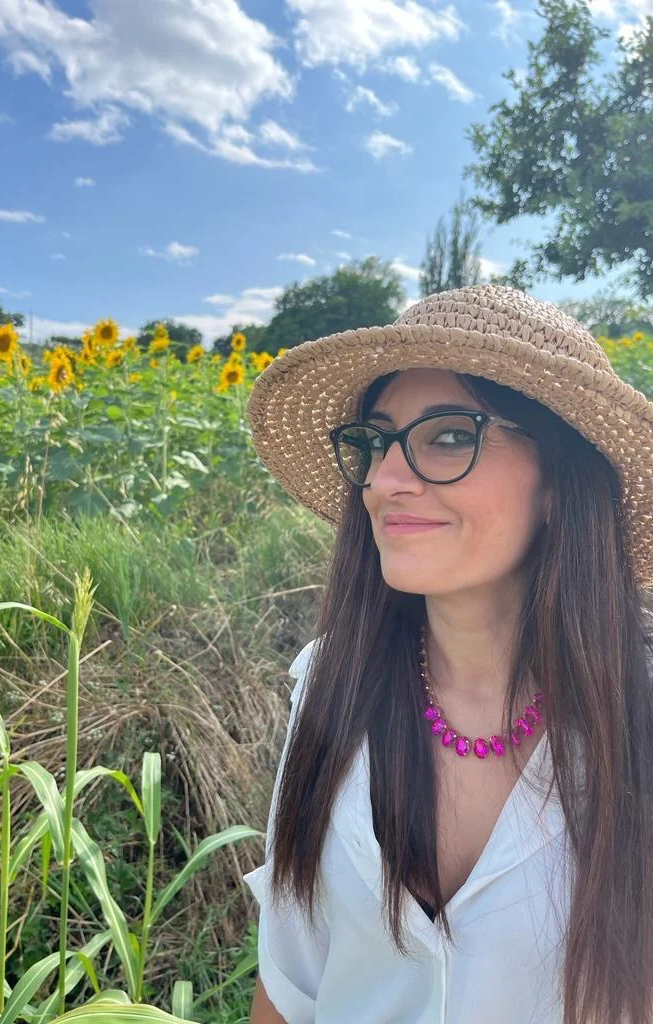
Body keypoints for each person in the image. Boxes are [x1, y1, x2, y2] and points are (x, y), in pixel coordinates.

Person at [241, 285, 653, 1024]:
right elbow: (293, 975)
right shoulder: (327, 686)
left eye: (450, 436)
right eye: (373, 441)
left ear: (560, 481)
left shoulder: (640, 712)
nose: (385, 481)